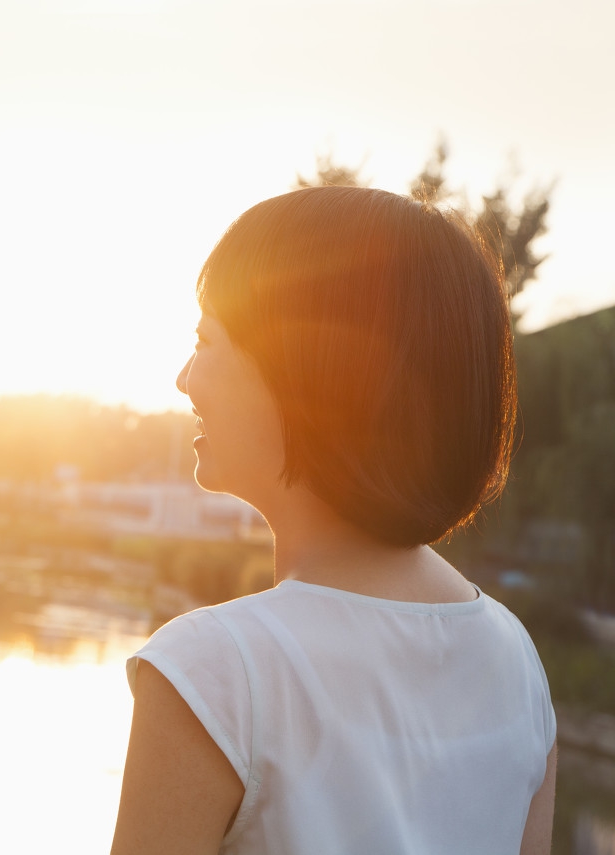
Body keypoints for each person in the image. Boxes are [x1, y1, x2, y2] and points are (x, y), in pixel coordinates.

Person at [110, 186, 556, 854]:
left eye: (205, 340)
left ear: (302, 372)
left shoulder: (213, 671)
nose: (184, 377)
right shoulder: (516, 663)